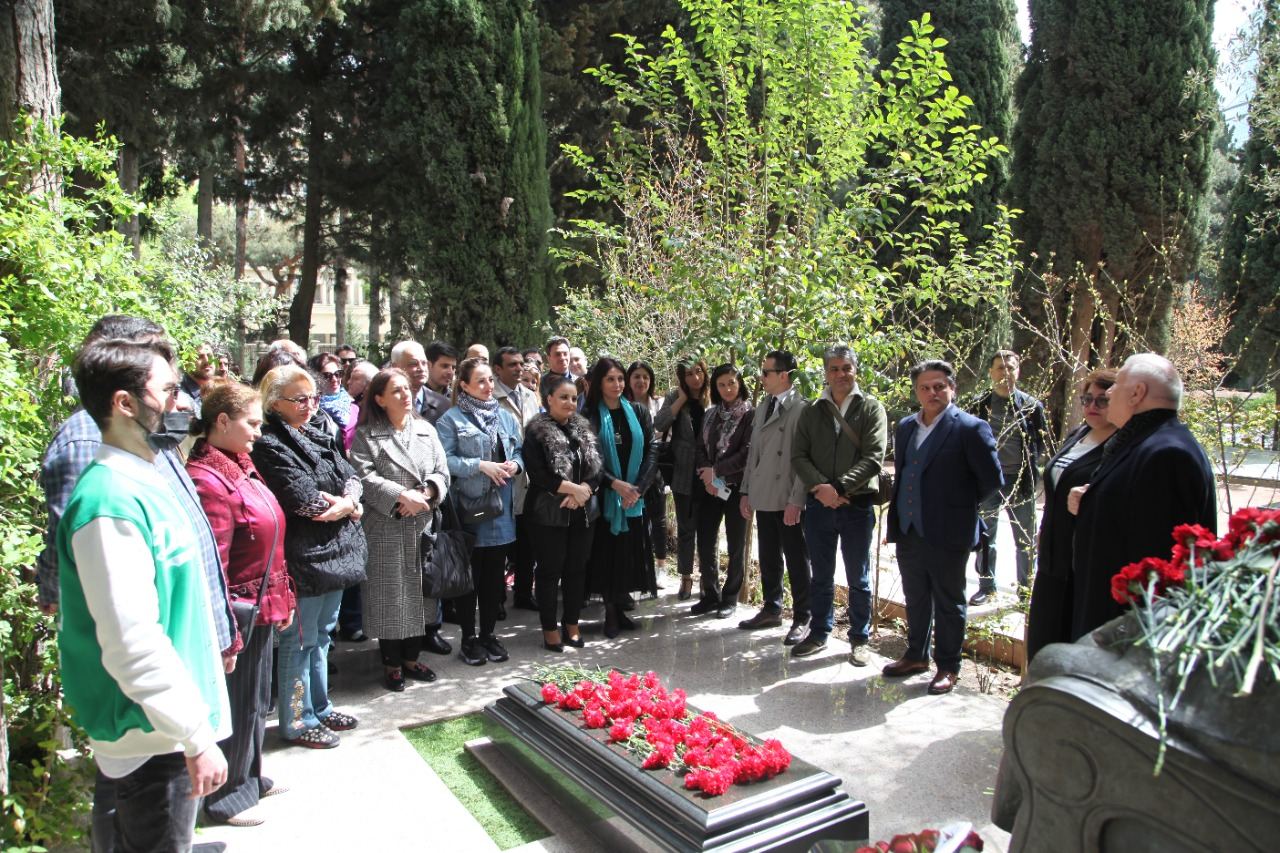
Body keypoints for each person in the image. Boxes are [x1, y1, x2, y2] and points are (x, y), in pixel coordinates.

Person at [57, 336, 230, 852]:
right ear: (125, 403)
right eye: (171, 390)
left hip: (166, 732)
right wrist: (195, 735)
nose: (183, 404)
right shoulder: (107, 501)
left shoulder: (144, 477)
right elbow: (131, 642)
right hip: (154, 740)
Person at [187, 382, 296, 827]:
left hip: (264, 601)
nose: (258, 432)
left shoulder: (239, 465)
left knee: (256, 700)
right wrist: (226, 629)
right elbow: (217, 559)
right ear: (222, 422)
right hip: (239, 609)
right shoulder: (208, 478)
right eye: (252, 423)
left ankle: (250, 775)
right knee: (236, 700)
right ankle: (225, 796)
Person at [251, 365, 367, 747]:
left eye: (312, 398)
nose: (309, 405)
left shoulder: (314, 432)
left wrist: (347, 501)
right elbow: (305, 502)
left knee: (321, 636)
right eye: (299, 399)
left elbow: (352, 475)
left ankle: (319, 705)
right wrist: (350, 506)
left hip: (333, 553)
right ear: (274, 403)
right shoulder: (269, 443)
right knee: (298, 642)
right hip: (304, 557)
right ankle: (297, 719)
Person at [1069, 353, 1216, 642]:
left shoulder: (1167, 454)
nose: (1109, 392)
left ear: (1137, 393)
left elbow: (1157, 560)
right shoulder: (1141, 442)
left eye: (1117, 384)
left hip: (1128, 632)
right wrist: (1091, 500)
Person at [883, 360, 1003, 694]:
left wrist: (956, 505)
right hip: (909, 528)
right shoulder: (906, 426)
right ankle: (916, 655)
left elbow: (992, 481)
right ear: (916, 391)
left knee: (950, 601)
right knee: (916, 595)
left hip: (949, 531)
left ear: (952, 388)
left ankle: (948, 666)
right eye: (925, 387)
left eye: (939, 386)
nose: (932, 393)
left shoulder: (970, 428)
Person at [349, 368, 451, 691]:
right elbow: (363, 477)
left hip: (422, 523)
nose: (406, 394)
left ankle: (411, 658)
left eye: (407, 389)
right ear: (379, 399)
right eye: (396, 390)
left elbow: (442, 471)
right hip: (386, 527)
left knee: (421, 596)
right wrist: (399, 497)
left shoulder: (425, 430)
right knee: (390, 598)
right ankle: (391, 663)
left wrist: (426, 494)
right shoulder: (366, 435)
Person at [790, 346, 887, 660]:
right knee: (821, 574)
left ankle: (860, 639)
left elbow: (874, 457)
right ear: (826, 373)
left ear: (855, 370)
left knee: (858, 577)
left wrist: (840, 487)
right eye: (834, 369)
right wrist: (822, 489)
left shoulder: (871, 408)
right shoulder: (812, 410)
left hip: (856, 505)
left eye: (846, 368)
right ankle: (819, 632)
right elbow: (798, 455)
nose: (841, 374)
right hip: (819, 505)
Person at [1024, 369, 1118, 662]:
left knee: (1070, 643)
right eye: (1087, 398)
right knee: (1043, 639)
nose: (1092, 406)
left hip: (1084, 563)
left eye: (1102, 400)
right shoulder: (1079, 434)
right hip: (1053, 554)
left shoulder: (1122, 447)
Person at [436, 357, 524, 666]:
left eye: (490, 380)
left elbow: (518, 452)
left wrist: (515, 464)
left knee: (494, 580)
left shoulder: (505, 417)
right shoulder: (451, 420)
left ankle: (488, 634)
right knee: (469, 579)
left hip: (500, 510)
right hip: (469, 510)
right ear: (464, 386)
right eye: (481, 381)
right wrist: (479, 466)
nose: (489, 387)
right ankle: (468, 638)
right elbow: (444, 461)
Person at [522, 374, 604, 650]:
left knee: (576, 570)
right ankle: (549, 628)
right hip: (548, 513)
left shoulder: (584, 428)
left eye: (573, 398)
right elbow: (538, 474)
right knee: (549, 571)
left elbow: (597, 470)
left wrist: (583, 492)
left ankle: (572, 623)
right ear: (549, 400)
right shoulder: (536, 431)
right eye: (563, 398)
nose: (570, 403)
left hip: (582, 512)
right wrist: (571, 489)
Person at [738, 350, 812, 645]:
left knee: (796, 558)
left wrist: (797, 500)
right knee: (768, 554)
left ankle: (804, 616)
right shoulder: (763, 405)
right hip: (763, 490)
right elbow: (753, 453)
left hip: (788, 495)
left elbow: (805, 459)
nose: (762, 377)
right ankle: (772, 608)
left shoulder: (802, 408)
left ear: (784, 376)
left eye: (767, 372)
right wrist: (746, 490)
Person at [584, 357, 658, 637]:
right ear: (599, 384)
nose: (617, 384)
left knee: (628, 554)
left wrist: (637, 488)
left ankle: (621, 607)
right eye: (610, 379)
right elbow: (589, 460)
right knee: (607, 556)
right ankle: (611, 614)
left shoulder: (638, 412)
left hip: (635, 498)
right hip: (606, 498)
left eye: (619, 379)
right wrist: (615, 485)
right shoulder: (590, 416)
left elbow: (652, 448)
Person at [970, 350, 1048, 605]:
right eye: (1000, 368)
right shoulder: (980, 405)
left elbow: (1040, 443)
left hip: (1021, 482)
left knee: (1025, 539)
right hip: (989, 483)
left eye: (1011, 368)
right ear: (991, 372)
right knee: (986, 538)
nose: (1006, 373)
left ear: (1018, 371)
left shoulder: (1031, 406)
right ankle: (987, 586)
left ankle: (1025, 592)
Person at [690, 363, 754, 619]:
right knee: (705, 541)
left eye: (732, 383)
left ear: (740, 384)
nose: (727, 389)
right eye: (721, 384)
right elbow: (699, 447)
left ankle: (730, 598)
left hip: (737, 488)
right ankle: (710, 594)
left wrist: (716, 471)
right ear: (715, 387)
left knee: (736, 543)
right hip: (709, 487)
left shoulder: (751, 415)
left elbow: (747, 453)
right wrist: (707, 473)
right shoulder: (710, 413)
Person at [654, 358, 710, 601]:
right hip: (683, 471)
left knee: (709, 531)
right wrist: (681, 400)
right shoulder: (675, 396)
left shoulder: (714, 395)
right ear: (681, 377)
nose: (695, 378)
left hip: (710, 471)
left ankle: (709, 580)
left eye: (698, 372)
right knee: (687, 530)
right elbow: (660, 423)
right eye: (688, 374)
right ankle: (686, 578)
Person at [494, 346, 541, 611]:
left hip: (528, 480)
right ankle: (498, 597)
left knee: (527, 543)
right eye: (511, 364)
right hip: (502, 480)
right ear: (498, 369)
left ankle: (524, 592)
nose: (518, 368)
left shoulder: (530, 396)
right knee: (500, 543)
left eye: (520, 364)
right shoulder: (492, 398)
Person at [625, 361, 669, 580]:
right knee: (635, 519)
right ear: (628, 380)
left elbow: (665, 435)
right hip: (629, 471)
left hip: (655, 468)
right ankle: (638, 565)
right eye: (636, 376)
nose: (641, 381)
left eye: (645, 377)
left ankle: (661, 566)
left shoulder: (659, 404)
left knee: (658, 519)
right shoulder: (622, 404)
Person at [311, 352, 359, 452]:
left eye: (338, 374)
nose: (334, 379)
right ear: (315, 378)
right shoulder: (311, 411)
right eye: (327, 376)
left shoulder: (354, 405)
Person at [180, 342, 218, 416]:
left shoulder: (220, 389)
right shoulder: (179, 394)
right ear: (186, 362)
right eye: (199, 356)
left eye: (210, 355)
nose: (207, 361)